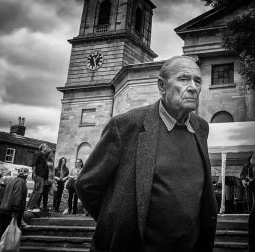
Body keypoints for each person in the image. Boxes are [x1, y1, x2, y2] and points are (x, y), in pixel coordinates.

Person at [76, 56, 218, 252]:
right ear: (162, 86)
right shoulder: (126, 126)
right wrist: (118, 221)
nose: (193, 87)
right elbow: (87, 185)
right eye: (184, 79)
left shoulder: (201, 128)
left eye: (198, 80)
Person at [0, 168, 29, 234]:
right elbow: (17, 196)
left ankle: (3, 243)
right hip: (11, 210)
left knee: (5, 231)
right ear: (26, 175)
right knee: (11, 232)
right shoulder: (21, 182)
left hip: (4, 208)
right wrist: (16, 210)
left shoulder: (12, 180)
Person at [27, 143, 50, 212]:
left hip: (41, 176)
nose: (48, 148)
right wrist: (34, 174)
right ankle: (31, 207)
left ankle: (29, 206)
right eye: (46, 147)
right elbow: (34, 164)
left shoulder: (44, 156)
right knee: (38, 191)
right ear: (42, 148)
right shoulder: (38, 154)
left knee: (36, 191)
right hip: (38, 175)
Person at [241, 152, 255, 251]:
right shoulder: (247, 166)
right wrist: (243, 180)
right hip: (250, 187)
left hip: (252, 186)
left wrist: (251, 182)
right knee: (250, 201)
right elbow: (242, 175)